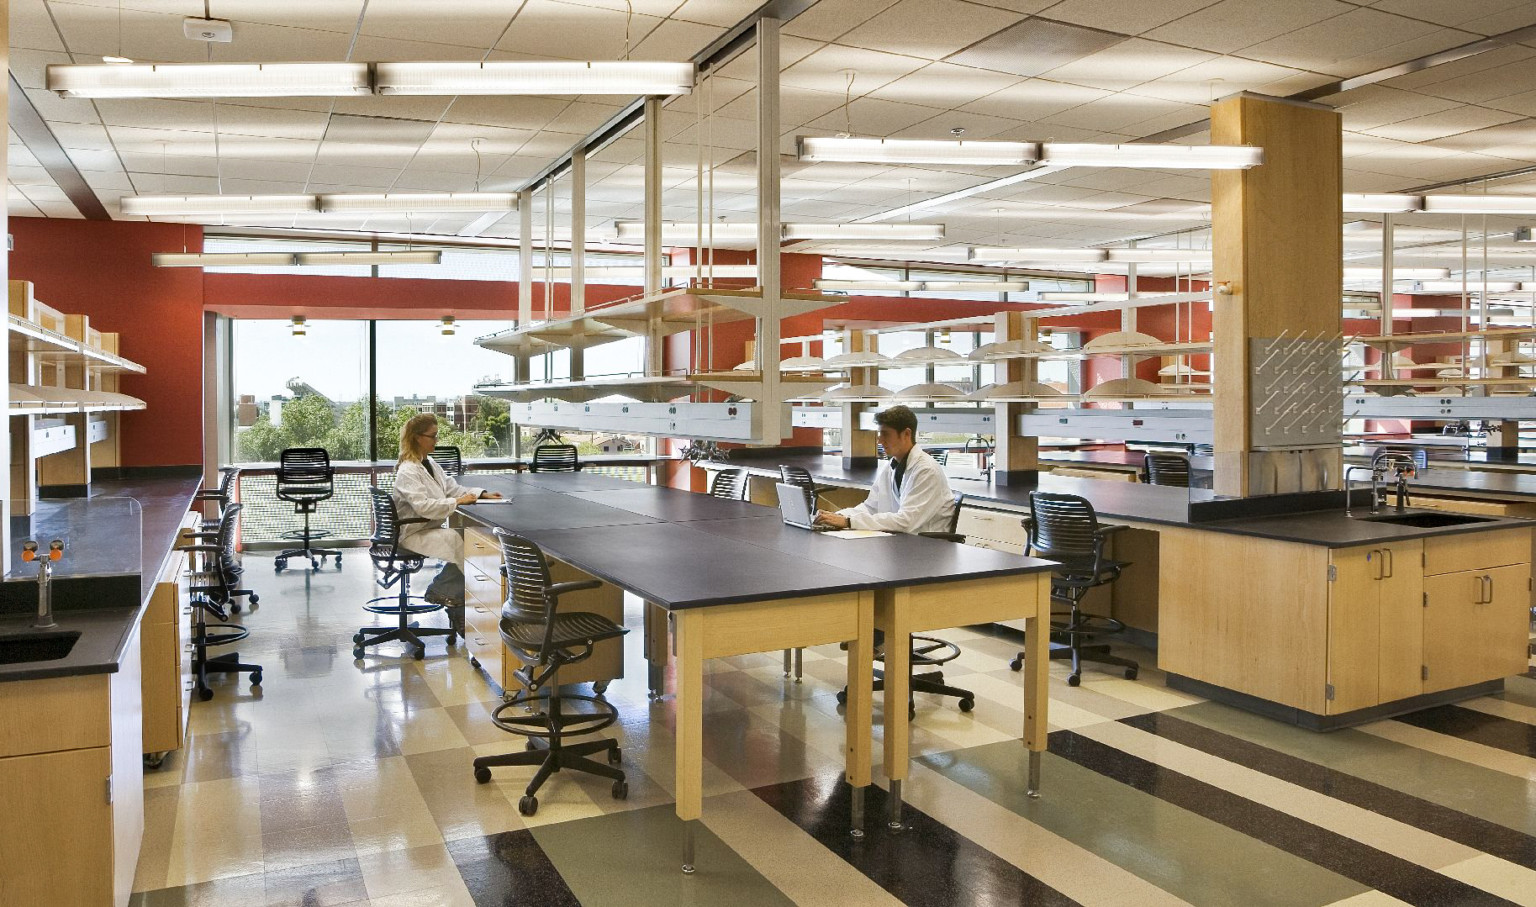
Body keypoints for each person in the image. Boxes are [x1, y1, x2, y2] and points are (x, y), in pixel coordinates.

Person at [392, 413, 502, 630]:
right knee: (460, 542)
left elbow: (452, 489)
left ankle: (446, 592)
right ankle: (455, 603)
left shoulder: (429, 463)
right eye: (432, 436)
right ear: (417, 438)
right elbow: (423, 506)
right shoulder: (408, 470)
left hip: (427, 528)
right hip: (413, 534)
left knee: (470, 541)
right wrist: (458, 501)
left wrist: (481, 494)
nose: (436, 441)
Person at [815, 404, 955, 534]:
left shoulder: (926, 471)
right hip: (900, 542)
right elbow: (870, 507)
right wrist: (839, 516)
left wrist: (848, 522)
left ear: (906, 434)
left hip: (926, 548)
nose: (879, 440)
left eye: (885, 434)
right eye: (879, 434)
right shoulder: (892, 465)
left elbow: (906, 521)